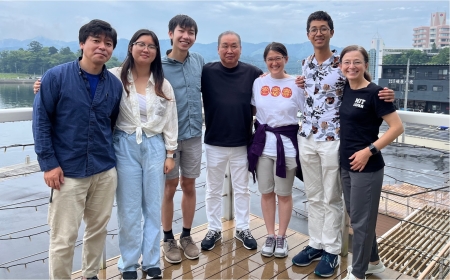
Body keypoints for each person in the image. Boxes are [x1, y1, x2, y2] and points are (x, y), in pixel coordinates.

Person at [291, 11, 395, 278]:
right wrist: (298, 85)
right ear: (307, 34)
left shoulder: (342, 63)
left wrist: (386, 93)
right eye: (313, 29)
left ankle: (332, 250)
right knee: (313, 195)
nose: (318, 33)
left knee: (332, 197)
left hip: (333, 139)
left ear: (331, 33)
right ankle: (316, 243)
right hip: (307, 137)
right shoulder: (305, 64)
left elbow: (363, 85)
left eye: (323, 28)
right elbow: (307, 98)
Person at [32, 19, 122, 280]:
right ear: (82, 43)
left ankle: (91, 274)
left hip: (104, 169)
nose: (102, 47)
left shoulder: (114, 85)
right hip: (67, 172)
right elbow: (41, 121)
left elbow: (112, 123)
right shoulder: (56, 77)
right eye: (96, 40)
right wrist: (48, 164)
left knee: (98, 229)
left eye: (108, 43)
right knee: (64, 236)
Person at [109, 29, 178, 280]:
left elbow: (171, 120)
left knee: (152, 206)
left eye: (151, 46)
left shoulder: (162, 83)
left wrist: (171, 153)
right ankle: (128, 264)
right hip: (124, 144)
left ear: (156, 52)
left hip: (155, 146)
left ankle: (151, 261)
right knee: (128, 208)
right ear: (131, 47)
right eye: (141, 44)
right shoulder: (114, 76)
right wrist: (44, 85)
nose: (146, 49)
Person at [338, 45, 403, 280]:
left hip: (368, 166)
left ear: (366, 65)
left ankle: (357, 273)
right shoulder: (343, 88)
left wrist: (370, 150)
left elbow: (397, 128)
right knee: (358, 218)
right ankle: (374, 262)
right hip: (345, 164)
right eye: (347, 62)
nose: (351, 66)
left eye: (357, 62)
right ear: (341, 65)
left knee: (361, 222)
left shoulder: (376, 93)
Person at [200, 31, 262, 251]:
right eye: (225, 46)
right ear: (218, 49)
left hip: (242, 142)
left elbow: (266, 94)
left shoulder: (253, 72)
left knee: (243, 189)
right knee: (213, 189)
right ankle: (214, 228)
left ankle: (243, 228)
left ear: (241, 48)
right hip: (213, 141)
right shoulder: (206, 71)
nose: (229, 50)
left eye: (234, 46)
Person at [247, 42, 304, 258]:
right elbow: (254, 109)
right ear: (265, 61)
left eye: (278, 58)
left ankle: (282, 236)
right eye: (270, 59)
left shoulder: (296, 84)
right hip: (262, 145)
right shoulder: (258, 83)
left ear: (286, 59)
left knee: (285, 193)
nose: (274, 62)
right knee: (266, 192)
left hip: (287, 145)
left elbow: (308, 112)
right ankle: (269, 235)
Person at [160, 14, 204, 264]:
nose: (186, 36)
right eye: (181, 31)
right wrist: (46, 81)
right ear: (171, 33)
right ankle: (168, 238)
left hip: (194, 134)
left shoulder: (198, 60)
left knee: (189, 185)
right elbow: (123, 74)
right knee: (169, 187)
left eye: (191, 32)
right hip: (168, 139)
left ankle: (186, 235)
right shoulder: (158, 64)